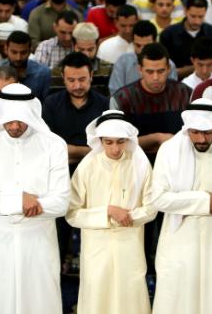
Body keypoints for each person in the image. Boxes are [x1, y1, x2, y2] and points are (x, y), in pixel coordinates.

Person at [0, 83, 70, 314]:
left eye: (20, 120)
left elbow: (61, 202)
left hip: (38, 244)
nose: (13, 126)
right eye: (8, 120)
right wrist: (18, 201)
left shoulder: (54, 145)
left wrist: (34, 204)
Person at [152, 99, 212, 314]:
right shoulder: (169, 151)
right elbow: (159, 199)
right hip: (180, 242)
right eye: (195, 132)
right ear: (187, 128)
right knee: (178, 301)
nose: (201, 139)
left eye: (207, 133)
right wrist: (206, 201)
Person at [66, 110, 157, 314]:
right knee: (97, 299)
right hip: (96, 249)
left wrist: (129, 217)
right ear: (100, 141)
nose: (115, 149)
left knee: (130, 298)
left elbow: (152, 207)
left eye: (120, 141)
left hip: (130, 246)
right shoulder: (87, 166)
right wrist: (107, 212)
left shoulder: (140, 165)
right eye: (108, 142)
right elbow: (72, 213)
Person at [110, 43, 191, 156]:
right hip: (135, 162)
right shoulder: (122, 99)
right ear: (140, 69)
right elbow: (117, 143)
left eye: (161, 71)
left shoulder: (185, 94)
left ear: (168, 69)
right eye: (149, 72)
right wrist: (157, 138)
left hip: (178, 159)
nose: (155, 77)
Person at [43, 52, 110, 167]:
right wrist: (90, 151)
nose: (77, 86)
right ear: (63, 78)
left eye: (82, 79)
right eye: (71, 80)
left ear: (91, 76)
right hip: (59, 168)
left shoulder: (105, 104)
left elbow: (108, 148)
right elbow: (49, 147)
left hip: (98, 168)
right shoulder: (51, 103)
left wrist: (72, 151)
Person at [160, 0, 212, 78]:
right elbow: (166, 70)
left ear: (205, 12)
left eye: (201, 17)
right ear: (185, 11)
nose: (197, 21)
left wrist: (187, 69)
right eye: (193, 16)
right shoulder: (168, 34)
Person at [108, 20, 179, 94]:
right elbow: (116, 93)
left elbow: (172, 94)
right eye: (138, 45)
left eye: (146, 46)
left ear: (155, 42)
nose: (142, 50)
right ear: (133, 42)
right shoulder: (122, 62)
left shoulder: (168, 64)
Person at [0, 30, 51, 100]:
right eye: (14, 52)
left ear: (30, 51)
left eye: (23, 52)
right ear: (6, 49)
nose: (18, 58)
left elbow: (46, 106)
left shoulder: (43, 74)